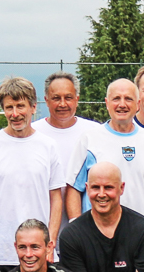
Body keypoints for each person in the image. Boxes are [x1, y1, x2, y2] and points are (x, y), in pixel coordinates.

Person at [0, 77, 64, 266]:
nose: (15, 114)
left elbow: (56, 198)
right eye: (9, 107)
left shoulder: (49, 147)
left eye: (21, 106)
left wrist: (50, 245)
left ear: (33, 107)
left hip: (37, 252)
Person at [67, 78, 144, 244]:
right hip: (98, 239)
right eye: (116, 98)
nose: (122, 104)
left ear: (138, 104)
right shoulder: (89, 140)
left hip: (143, 239)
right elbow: (74, 188)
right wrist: (77, 231)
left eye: (128, 99)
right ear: (107, 103)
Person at [31, 71, 100, 231]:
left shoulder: (95, 132)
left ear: (77, 99)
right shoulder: (32, 133)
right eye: (56, 98)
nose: (62, 104)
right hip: (40, 231)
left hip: (85, 231)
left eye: (68, 97)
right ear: (46, 100)